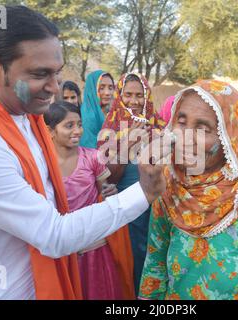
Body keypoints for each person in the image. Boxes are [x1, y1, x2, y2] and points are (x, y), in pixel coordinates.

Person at [0, 6, 168, 299]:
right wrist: (144, 192)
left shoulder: (20, 111)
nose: (54, 88)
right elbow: (53, 234)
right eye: (40, 74)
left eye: (57, 73)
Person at [139, 80, 238, 300]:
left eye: (202, 128)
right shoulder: (169, 184)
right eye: (181, 122)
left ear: (230, 135)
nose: (186, 139)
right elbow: (155, 264)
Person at [44, 101, 135, 299]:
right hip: (62, 247)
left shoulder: (93, 157)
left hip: (95, 246)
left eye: (79, 124)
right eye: (69, 125)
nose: (77, 131)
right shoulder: (42, 164)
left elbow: (104, 190)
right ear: (50, 131)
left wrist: (109, 191)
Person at [98, 72, 166, 295]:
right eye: (128, 95)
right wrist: (129, 144)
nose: (134, 101)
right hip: (128, 209)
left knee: (156, 256)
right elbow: (109, 178)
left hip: (159, 209)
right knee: (133, 257)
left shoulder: (158, 127)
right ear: (120, 96)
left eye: (139, 95)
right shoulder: (111, 129)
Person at [79, 70, 115, 149]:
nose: (107, 93)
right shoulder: (88, 116)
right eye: (101, 88)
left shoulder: (107, 111)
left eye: (110, 88)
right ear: (92, 89)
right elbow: (90, 150)